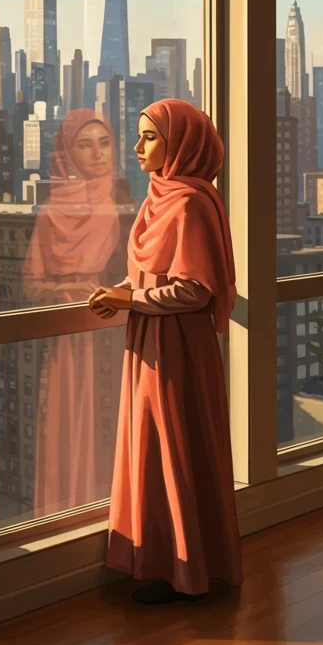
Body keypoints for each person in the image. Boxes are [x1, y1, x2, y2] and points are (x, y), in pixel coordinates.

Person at [88, 98, 243, 604]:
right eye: (138, 136)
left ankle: (184, 569)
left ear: (183, 144)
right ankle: (159, 561)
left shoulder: (192, 202)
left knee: (174, 447)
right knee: (152, 447)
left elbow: (194, 290)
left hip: (178, 345)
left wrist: (129, 299)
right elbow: (153, 273)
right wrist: (121, 291)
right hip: (151, 338)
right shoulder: (160, 196)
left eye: (150, 137)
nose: (137, 147)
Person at [23, 110, 127, 518]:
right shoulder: (50, 211)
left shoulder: (122, 204)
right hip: (70, 339)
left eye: (105, 142)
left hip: (117, 331)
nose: (98, 153)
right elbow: (31, 284)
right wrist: (74, 291)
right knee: (68, 426)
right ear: (66, 152)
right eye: (85, 144)